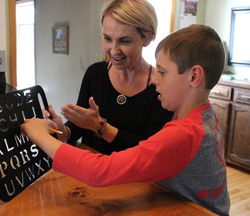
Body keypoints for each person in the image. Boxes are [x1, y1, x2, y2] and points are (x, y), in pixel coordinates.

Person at [21, 24, 230, 215]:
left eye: (163, 73)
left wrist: (40, 135)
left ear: (194, 76)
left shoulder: (184, 134)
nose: (155, 80)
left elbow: (99, 171)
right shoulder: (205, 116)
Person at [45, 0, 173, 155]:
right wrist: (62, 131)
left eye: (124, 41)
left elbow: (149, 150)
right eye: (107, 38)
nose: (113, 50)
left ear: (147, 38)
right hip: (89, 173)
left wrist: (100, 127)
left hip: (133, 179)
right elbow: (80, 127)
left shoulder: (161, 88)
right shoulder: (95, 73)